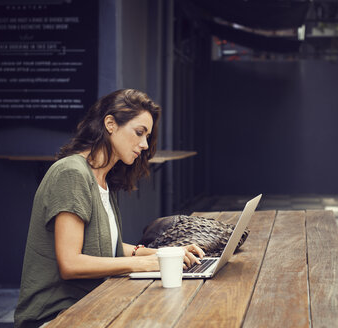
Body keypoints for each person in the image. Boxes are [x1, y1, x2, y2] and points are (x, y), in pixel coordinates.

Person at [14, 89, 204, 328]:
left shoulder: (103, 179)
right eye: (139, 133)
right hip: (56, 316)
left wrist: (167, 254)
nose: (144, 144)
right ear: (110, 124)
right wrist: (144, 264)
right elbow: (71, 264)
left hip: (93, 304)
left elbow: (104, 248)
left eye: (147, 136)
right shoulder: (72, 173)